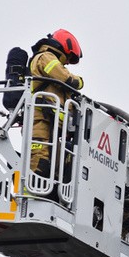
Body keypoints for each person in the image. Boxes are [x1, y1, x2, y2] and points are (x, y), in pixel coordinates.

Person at [28, 29, 84, 177]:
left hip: (50, 122)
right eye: (69, 57)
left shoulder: (49, 59)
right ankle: (27, 190)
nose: (68, 62)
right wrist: (80, 81)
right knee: (40, 163)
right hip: (40, 120)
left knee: (54, 166)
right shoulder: (46, 57)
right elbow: (67, 79)